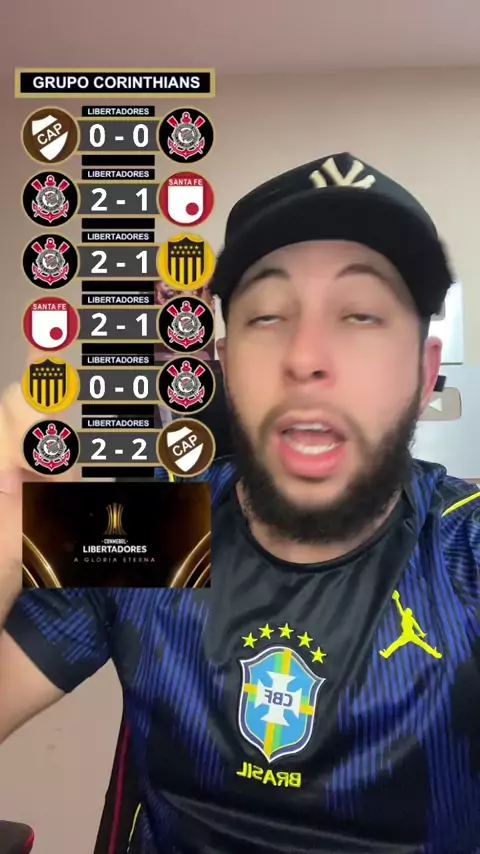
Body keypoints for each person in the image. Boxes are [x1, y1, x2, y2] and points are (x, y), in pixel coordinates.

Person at [1, 152, 479, 853]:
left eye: (361, 315)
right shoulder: (153, 527)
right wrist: (7, 525)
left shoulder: (466, 549)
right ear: (224, 365)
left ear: (424, 369)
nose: (306, 356)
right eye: (269, 315)